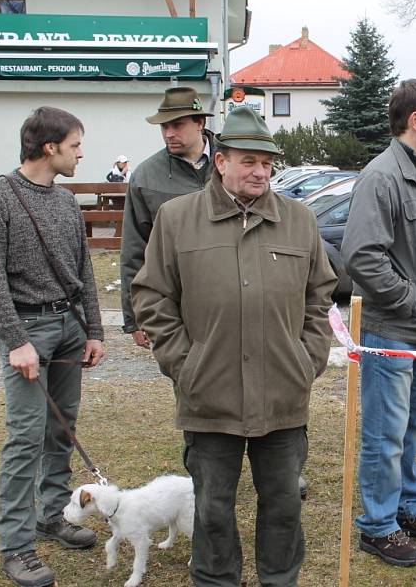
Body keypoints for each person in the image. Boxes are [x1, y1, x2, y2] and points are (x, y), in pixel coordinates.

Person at [130, 106, 336, 587]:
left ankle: (279, 579)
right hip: (209, 396)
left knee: (283, 503)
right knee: (214, 507)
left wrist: (306, 360)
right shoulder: (177, 219)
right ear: (221, 162)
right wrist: (185, 364)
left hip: (284, 396)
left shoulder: (299, 221)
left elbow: (319, 294)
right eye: (248, 161)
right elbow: (152, 295)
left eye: (266, 163)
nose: (260, 172)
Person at [0, 107, 105, 587]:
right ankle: (16, 546)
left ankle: (52, 513)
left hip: (70, 326)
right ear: (49, 147)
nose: (80, 153)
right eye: (75, 145)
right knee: (24, 438)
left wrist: (94, 330)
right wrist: (17, 342)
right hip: (27, 330)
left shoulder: (68, 202)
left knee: (61, 427)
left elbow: (84, 272)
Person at [341, 79, 416, 567]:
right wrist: (411, 301)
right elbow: (361, 256)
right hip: (393, 329)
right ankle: (377, 526)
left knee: (411, 427)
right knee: (385, 434)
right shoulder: (382, 176)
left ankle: (407, 508)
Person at [120, 86, 214, 349]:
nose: (169, 133)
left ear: (200, 122)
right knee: (187, 378)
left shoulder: (231, 163)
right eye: (164, 127)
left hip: (234, 298)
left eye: (177, 125)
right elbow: (134, 250)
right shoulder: (146, 177)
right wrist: (135, 319)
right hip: (177, 301)